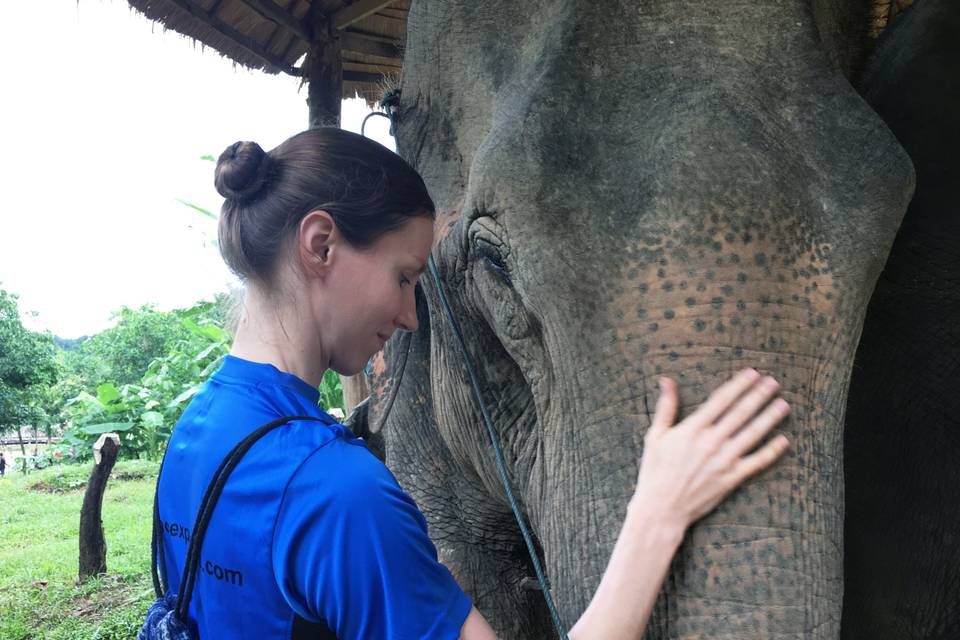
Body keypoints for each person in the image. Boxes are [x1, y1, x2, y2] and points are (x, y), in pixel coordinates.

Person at [156, 127, 791, 640]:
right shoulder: (338, 496)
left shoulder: (197, 431)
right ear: (320, 244)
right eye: (404, 277)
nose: (409, 316)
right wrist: (660, 509)